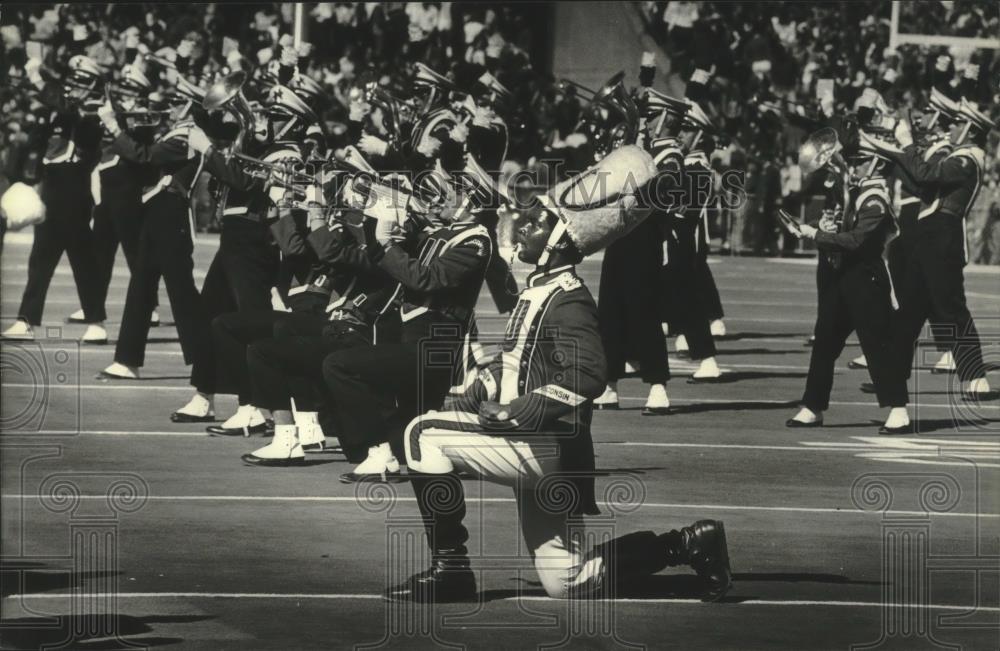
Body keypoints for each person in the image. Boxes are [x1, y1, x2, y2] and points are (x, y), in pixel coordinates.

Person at [393, 145, 731, 602]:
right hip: (545, 446)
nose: (525, 228)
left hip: (543, 443)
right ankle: (690, 543)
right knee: (568, 580)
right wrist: (481, 390)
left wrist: (521, 410)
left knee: (421, 434)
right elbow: (519, 366)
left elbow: (591, 373)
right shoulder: (544, 288)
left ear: (560, 241)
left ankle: (451, 569)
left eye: (537, 225)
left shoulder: (568, 297)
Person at [322, 168, 493, 482]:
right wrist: (370, 216)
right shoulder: (435, 231)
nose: (436, 198)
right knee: (414, 442)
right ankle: (425, 448)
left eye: (449, 193)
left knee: (340, 366)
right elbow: (380, 259)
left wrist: (390, 245)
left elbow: (426, 278)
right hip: (411, 342)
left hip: (435, 347)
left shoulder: (475, 240)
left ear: (470, 201)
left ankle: (378, 454)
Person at [785, 128, 910, 434]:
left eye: (860, 161)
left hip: (866, 278)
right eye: (852, 160)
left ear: (877, 164)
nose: (851, 165)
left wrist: (817, 234)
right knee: (825, 339)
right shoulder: (853, 191)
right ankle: (813, 406)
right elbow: (842, 227)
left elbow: (856, 241)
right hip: (842, 276)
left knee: (877, 343)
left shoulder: (875, 198)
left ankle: (898, 409)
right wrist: (824, 224)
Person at [877, 99, 995, 400]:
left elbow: (926, 176)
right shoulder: (958, 155)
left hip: (944, 238)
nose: (951, 126)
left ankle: (976, 377)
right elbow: (919, 180)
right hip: (927, 236)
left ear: (970, 129)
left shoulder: (968, 159)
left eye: (958, 123)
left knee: (951, 308)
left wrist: (904, 144)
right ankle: (891, 375)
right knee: (909, 310)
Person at [3, 55, 107, 343]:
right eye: (71, 82)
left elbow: (73, 114)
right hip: (53, 184)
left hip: (75, 185)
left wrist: (39, 80)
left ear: (91, 86)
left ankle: (96, 322)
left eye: (79, 83)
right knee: (41, 257)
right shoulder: (60, 110)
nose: (73, 88)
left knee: (80, 257)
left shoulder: (94, 110)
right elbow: (38, 143)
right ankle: (27, 321)